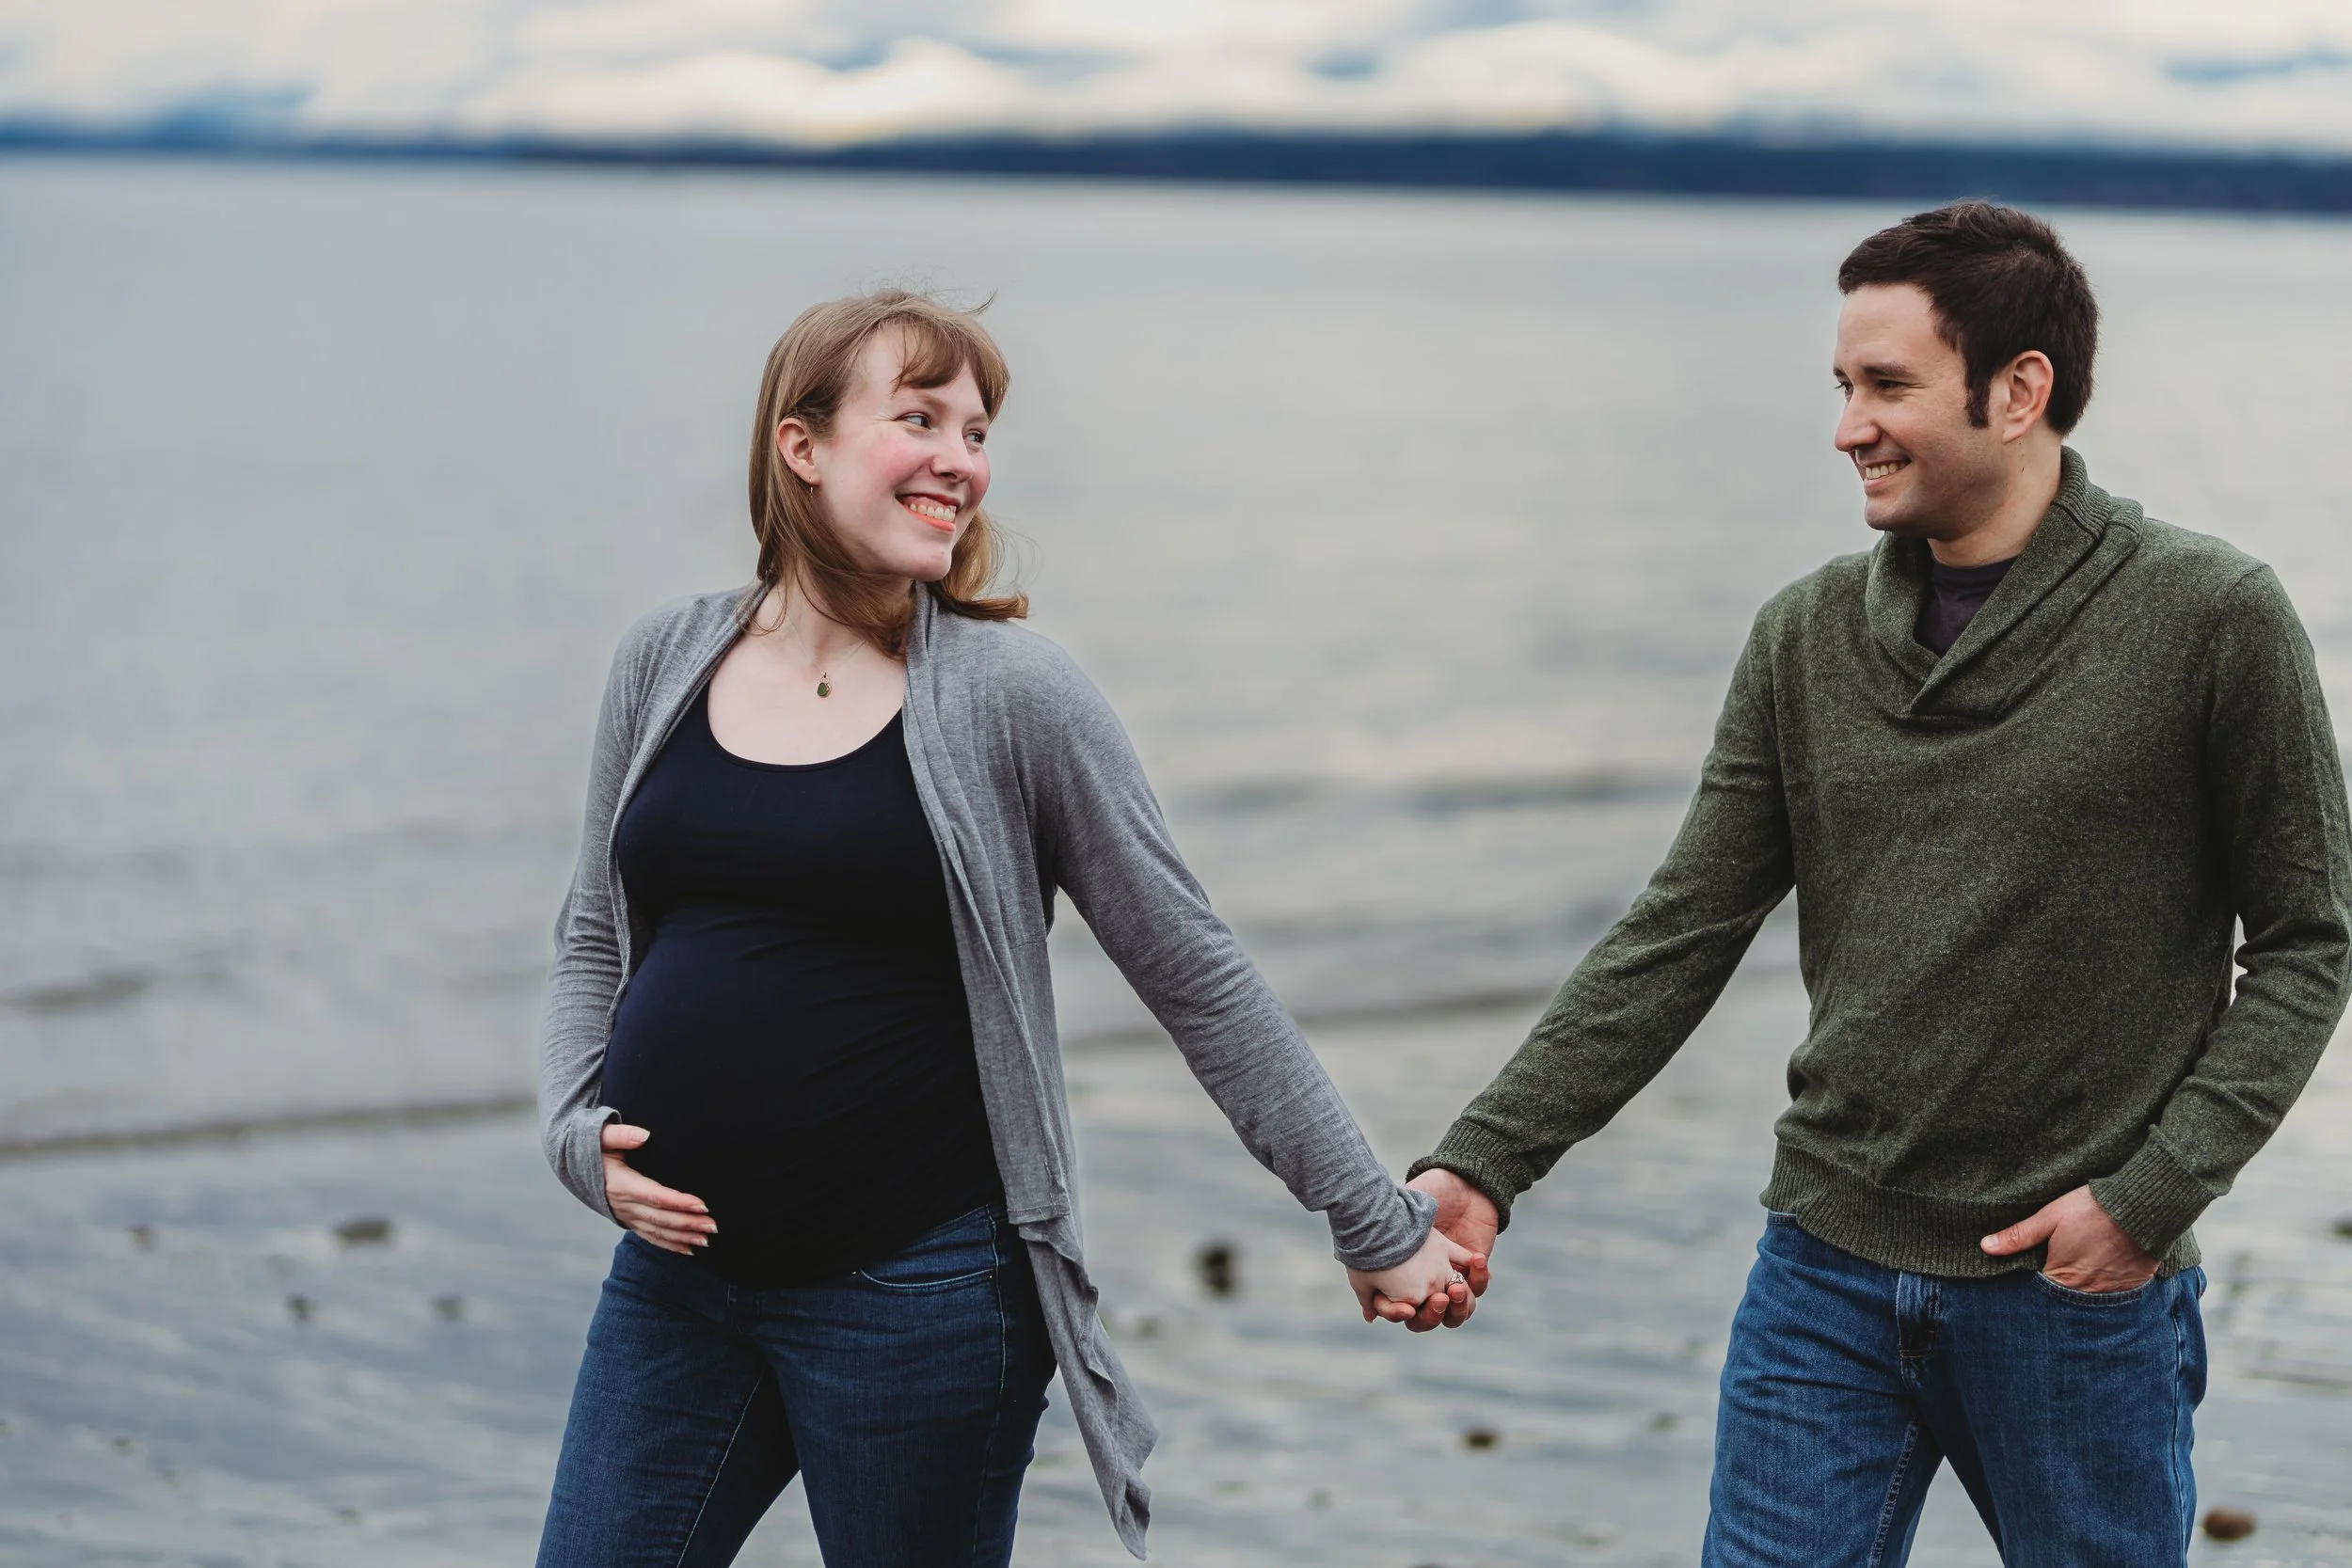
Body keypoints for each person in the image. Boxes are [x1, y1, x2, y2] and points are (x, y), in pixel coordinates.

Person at [1397, 202, 2352, 1562]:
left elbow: (2313, 940)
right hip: (1823, 1269)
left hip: (2073, 1294)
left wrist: (2151, 1195)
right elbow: (1681, 930)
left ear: (2019, 390)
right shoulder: (1803, 636)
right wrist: (1488, 1160)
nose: (1850, 424)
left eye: (1888, 385)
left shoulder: (2209, 617)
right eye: (1845, 385)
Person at [532, 290, 1477, 1567]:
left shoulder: (1013, 696)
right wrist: (573, 1132)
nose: (960, 460)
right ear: (799, 446)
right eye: (918, 418)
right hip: (678, 1287)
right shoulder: (666, 660)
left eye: (976, 433)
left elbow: (1195, 973)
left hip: (914, 1300)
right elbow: (595, 930)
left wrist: (1369, 1216)